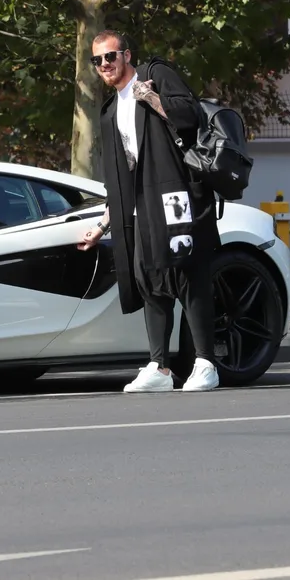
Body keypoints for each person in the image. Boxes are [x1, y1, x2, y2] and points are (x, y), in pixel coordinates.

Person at [77, 29, 220, 393]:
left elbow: (190, 116)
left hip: (175, 196)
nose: (104, 64)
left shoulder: (156, 73)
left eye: (110, 56)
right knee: (150, 281)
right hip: (142, 208)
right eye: (97, 60)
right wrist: (102, 226)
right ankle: (159, 367)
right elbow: (120, 180)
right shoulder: (110, 111)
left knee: (188, 274)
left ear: (126, 55)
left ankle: (206, 363)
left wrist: (152, 98)